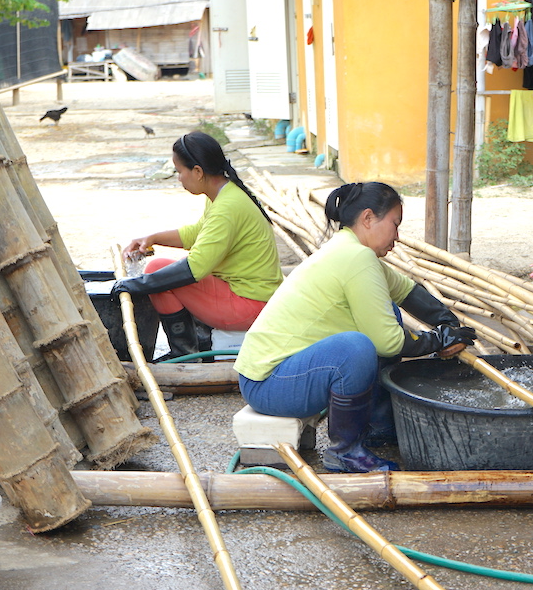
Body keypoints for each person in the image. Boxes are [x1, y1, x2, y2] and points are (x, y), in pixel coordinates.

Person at [234, 182, 476, 473]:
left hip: (277, 374)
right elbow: (388, 343)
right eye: (395, 225)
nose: (397, 236)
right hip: (269, 384)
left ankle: (379, 426)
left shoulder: (350, 250)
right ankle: (345, 451)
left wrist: (447, 321)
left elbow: (405, 291)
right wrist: (437, 340)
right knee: (357, 347)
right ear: (368, 218)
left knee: (387, 317)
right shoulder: (355, 257)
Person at [113, 131, 282, 359]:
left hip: (250, 304)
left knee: (156, 272)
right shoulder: (226, 193)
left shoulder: (227, 208)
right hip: (250, 297)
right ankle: (198, 346)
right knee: (160, 266)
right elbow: (197, 234)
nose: (179, 178)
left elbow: (196, 267)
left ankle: (186, 353)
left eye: (179, 171)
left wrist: (137, 284)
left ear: (198, 172)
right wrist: (152, 238)